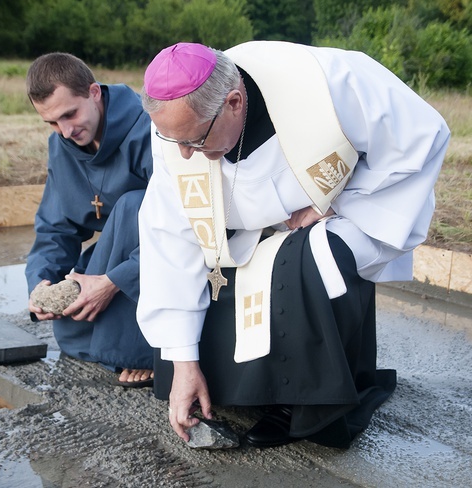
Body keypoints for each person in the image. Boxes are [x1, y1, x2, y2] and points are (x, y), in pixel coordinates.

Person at [136, 41, 450, 447]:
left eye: (194, 141)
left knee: (312, 264)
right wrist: (182, 362)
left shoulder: (330, 82)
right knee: (204, 281)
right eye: (173, 141)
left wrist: (340, 203)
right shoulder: (180, 121)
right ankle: (229, 388)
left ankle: (302, 403)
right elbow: (168, 234)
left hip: (327, 221)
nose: (184, 154)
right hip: (241, 233)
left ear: (233, 102)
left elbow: (421, 138)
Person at [25, 52, 154, 387]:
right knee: (71, 333)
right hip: (117, 248)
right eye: (52, 122)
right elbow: (56, 226)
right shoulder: (61, 144)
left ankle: (143, 351)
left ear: (94, 92)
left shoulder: (149, 128)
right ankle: (116, 340)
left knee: (133, 205)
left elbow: (185, 224)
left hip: (161, 255)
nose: (65, 131)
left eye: (70, 114)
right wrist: (41, 282)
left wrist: (112, 282)